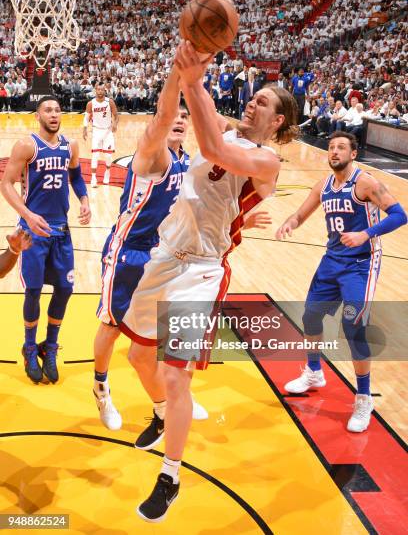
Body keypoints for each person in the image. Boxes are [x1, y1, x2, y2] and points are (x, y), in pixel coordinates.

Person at [121, 40, 298, 522]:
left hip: (201, 270)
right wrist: (179, 74)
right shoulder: (217, 120)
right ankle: (159, 415)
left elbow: (213, 148)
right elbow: (173, 115)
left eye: (264, 100)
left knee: (176, 374)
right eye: (254, 95)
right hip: (163, 258)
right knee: (138, 356)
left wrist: (196, 78)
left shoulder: (268, 163)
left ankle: (170, 476)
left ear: (278, 120)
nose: (253, 101)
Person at [93, 66, 205, 429]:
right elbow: (161, 116)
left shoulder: (187, 162)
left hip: (162, 252)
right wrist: (178, 74)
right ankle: (101, 390)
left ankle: (173, 393)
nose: (179, 120)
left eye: (184, 117)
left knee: (164, 327)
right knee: (111, 326)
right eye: (174, 115)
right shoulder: (155, 155)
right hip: (128, 249)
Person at [276, 131, 407, 433]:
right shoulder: (323, 185)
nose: (334, 152)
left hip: (360, 265)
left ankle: (363, 397)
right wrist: (290, 222)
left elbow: (400, 215)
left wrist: (366, 234)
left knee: (354, 326)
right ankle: (313, 372)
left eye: (341, 148)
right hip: (331, 261)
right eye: (332, 147)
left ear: (354, 154)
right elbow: (302, 213)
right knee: (310, 315)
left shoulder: (366, 183)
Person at [0, 96, 91, 384]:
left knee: (64, 288)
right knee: (34, 291)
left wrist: (85, 199)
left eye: (57, 110)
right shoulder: (27, 145)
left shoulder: (70, 145)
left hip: (61, 230)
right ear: (38, 115)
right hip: (33, 232)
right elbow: (6, 184)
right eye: (48, 110)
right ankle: (29, 347)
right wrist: (27, 215)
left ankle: (49, 346)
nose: (54, 114)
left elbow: (76, 176)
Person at [83, 83, 119, 188]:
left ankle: (107, 173)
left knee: (108, 156)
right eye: (98, 90)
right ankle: (93, 178)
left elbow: (116, 116)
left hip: (108, 131)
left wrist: (115, 124)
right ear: (95, 91)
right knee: (95, 155)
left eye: (102, 90)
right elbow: (86, 117)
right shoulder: (91, 103)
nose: (100, 91)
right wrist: (84, 129)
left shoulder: (110, 102)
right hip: (96, 131)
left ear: (105, 91)